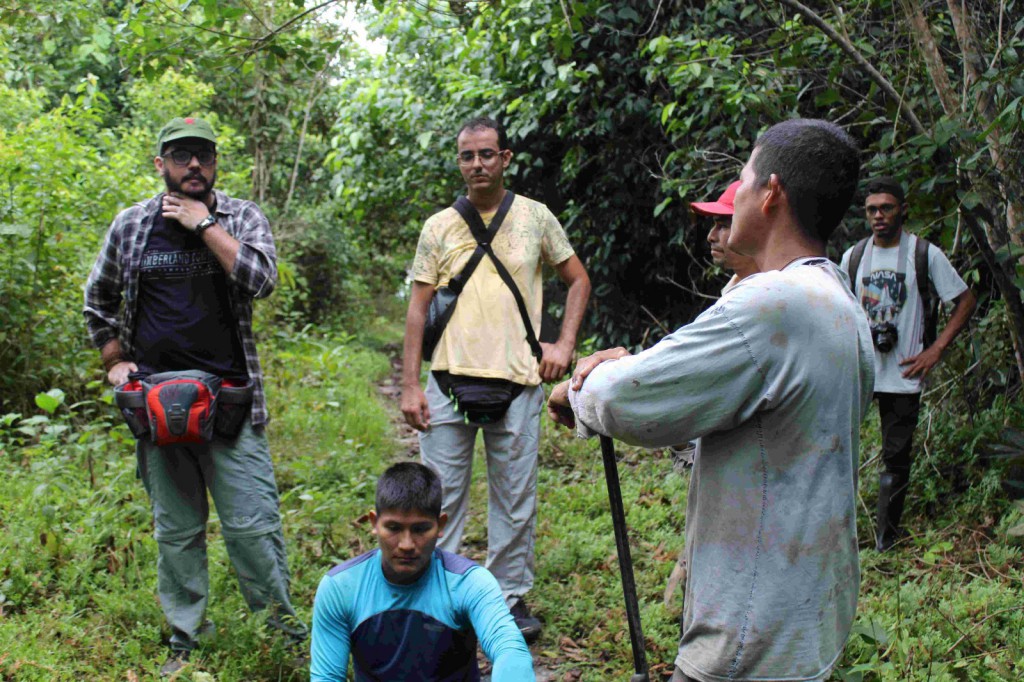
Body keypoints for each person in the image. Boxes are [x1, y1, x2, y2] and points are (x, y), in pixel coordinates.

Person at [548, 119, 875, 682]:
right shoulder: (839, 301)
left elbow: (628, 399)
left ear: (771, 192)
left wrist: (583, 383)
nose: (738, 193)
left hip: (751, 628)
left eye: (744, 179)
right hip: (806, 612)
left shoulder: (773, 303)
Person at [83, 117, 304, 676]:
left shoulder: (241, 217)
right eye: (181, 157)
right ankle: (186, 639)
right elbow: (97, 299)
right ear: (160, 165)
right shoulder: (132, 225)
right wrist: (114, 362)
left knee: (253, 526)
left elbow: (262, 279)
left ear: (215, 161)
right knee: (177, 532)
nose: (195, 167)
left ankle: (279, 635)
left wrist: (205, 224)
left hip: (231, 401)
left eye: (203, 156)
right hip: (156, 406)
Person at [400, 116, 590, 641]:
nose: (477, 164)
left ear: (505, 158)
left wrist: (564, 345)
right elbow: (418, 310)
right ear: (459, 161)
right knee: (440, 498)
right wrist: (411, 384)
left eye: (487, 154)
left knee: (515, 498)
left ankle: (507, 598)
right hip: (447, 382)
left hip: (519, 381)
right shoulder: (439, 226)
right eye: (467, 155)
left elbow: (577, 280)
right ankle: (444, 597)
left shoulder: (535, 218)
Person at [839, 176, 976, 551]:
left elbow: (965, 300)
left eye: (886, 208)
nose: (878, 216)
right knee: (837, 449)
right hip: (860, 369)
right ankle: (838, 532)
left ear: (902, 209)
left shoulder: (923, 254)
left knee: (896, 458)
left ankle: (887, 541)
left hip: (904, 372)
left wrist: (936, 349)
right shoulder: (853, 257)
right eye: (871, 210)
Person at [310, 462, 535, 681]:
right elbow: (327, 677)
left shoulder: (469, 583)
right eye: (394, 528)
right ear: (374, 523)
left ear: (441, 525)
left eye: (420, 529)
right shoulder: (341, 587)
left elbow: (509, 648)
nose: (407, 544)